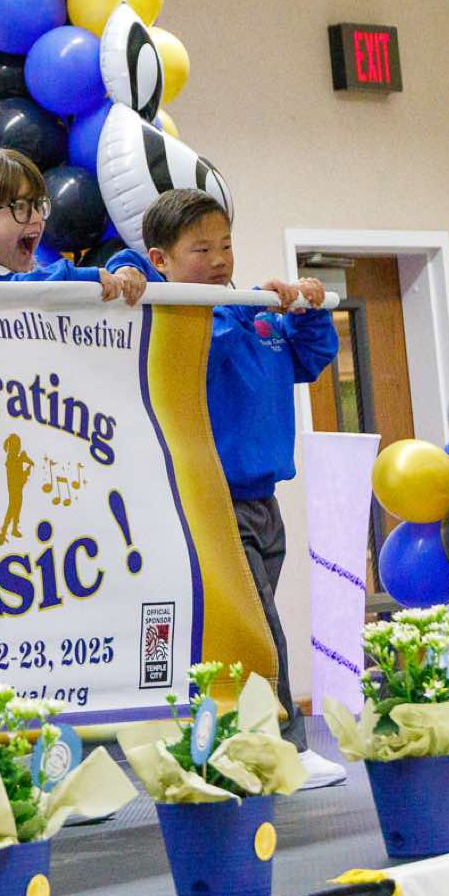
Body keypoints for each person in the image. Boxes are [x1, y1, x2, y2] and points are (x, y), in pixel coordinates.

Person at [121, 188, 347, 788]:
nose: (220, 259)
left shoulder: (258, 313)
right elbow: (210, 347)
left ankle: (232, 746)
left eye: (225, 245)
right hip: (214, 506)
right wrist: (246, 308)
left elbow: (311, 357)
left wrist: (310, 309)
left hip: (264, 501)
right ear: (161, 260)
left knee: (239, 637)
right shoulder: (181, 320)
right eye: (201, 249)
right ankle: (288, 748)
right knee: (261, 631)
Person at [0, 136, 146, 303]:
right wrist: (82, 276)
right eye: (19, 207)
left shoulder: (34, 274)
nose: (36, 217)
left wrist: (126, 266)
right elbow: (13, 290)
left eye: (38, 204)